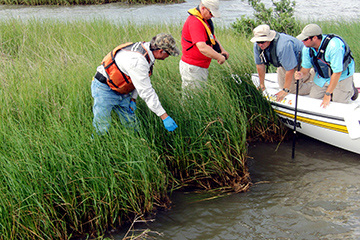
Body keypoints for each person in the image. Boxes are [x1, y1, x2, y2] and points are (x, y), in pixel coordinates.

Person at [91, 33, 180, 136]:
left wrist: (133, 98)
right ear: (160, 51)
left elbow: (137, 79)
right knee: (102, 126)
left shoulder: (147, 50)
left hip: (122, 90)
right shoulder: (138, 61)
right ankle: (96, 144)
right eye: (168, 54)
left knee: (131, 124)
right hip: (104, 88)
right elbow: (146, 91)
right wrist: (164, 117)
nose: (168, 56)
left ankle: (136, 142)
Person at [295, 23, 357, 108]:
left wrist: (328, 93)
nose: (303, 42)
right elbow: (306, 68)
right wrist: (301, 74)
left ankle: (351, 90)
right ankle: (333, 91)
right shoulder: (307, 48)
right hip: (323, 76)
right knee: (314, 98)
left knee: (338, 103)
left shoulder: (334, 46)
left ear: (315, 38)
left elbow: (337, 72)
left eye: (305, 39)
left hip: (341, 76)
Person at [251, 24, 313, 102]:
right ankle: (308, 75)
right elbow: (260, 65)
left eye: (263, 41)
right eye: (258, 42)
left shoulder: (283, 45)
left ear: (269, 39)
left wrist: (285, 90)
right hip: (283, 63)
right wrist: (262, 84)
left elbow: (290, 69)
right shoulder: (257, 46)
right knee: (281, 86)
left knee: (292, 91)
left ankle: (317, 85)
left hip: (299, 60)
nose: (260, 44)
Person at [179, 0, 229, 91]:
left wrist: (222, 51)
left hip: (200, 67)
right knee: (192, 100)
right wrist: (219, 57)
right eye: (211, 13)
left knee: (199, 96)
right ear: (203, 8)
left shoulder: (204, 20)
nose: (212, 16)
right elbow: (202, 47)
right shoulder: (195, 22)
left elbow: (212, 38)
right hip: (193, 68)